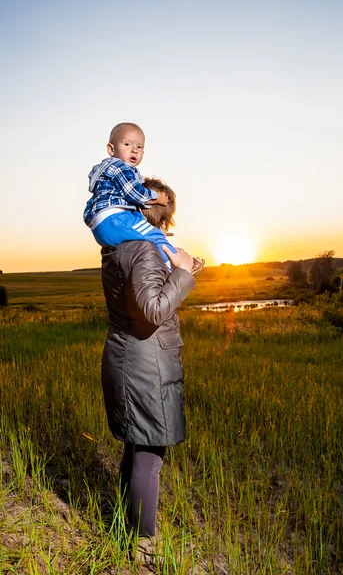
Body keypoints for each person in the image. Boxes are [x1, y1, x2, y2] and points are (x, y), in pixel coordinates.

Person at [100, 178, 203, 562]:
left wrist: (179, 269)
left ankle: (128, 529)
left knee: (136, 443)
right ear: (164, 214)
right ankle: (143, 548)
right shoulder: (145, 250)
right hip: (145, 365)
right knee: (149, 452)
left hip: (128, 358)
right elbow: (152, 311)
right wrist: (182, 273)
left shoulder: (121, 246)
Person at [83, 122, 177, 269]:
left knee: (135, 245)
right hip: (115, 218)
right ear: (111, 149)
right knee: (155, 236)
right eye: (127, 144)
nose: (134, 150)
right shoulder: (119, 167)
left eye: (139, 147)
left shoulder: (104, 171)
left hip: (99, 228)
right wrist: (158, 197)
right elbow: (135, 193)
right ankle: (173, 266)